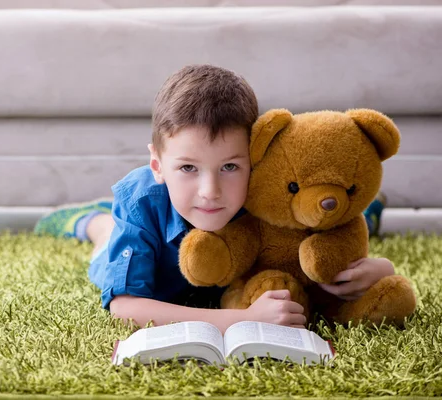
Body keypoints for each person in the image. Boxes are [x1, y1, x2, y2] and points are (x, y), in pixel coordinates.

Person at [35, 64, 393, 334]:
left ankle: (370, 211)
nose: (210, 192)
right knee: (106, 238)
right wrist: (242, 320)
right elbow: (124, 307)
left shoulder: (265, 195)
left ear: (255, 160)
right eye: (188, 167)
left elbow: (318, 249)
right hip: (147, 254)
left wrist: (380, 270)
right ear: (158, 165)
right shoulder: (142, 201)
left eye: (230, 167)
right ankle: (88, 220)